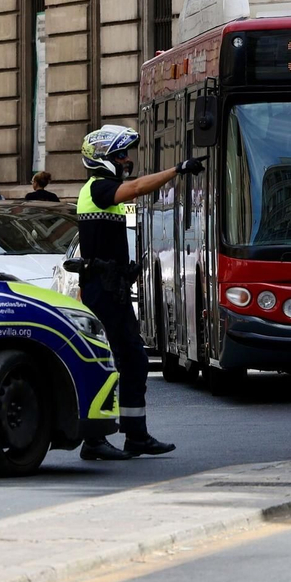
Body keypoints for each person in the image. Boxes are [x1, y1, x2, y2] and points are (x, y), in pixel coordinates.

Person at [75, 125, 201, 460]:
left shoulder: (102, 190)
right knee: (109, 361)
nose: (127, 160)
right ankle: (95, 440)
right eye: (120, 155)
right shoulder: (99, 188)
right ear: (103, 158)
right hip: (102, 290)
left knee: (133, 360)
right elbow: (136, 188)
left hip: (111, 288)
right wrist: (176, 170)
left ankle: (135, 435)